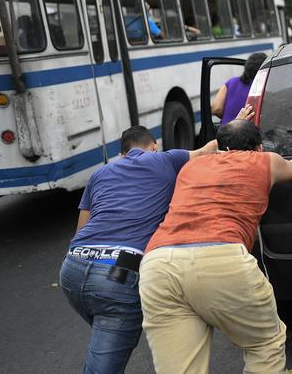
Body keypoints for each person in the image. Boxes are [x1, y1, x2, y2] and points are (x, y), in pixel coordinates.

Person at [138, 118, 292, 373]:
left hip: (158, 265)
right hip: (221, 257)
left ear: (220, 145)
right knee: (265, 342)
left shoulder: (191, 167)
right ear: (260, 148)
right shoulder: (265, 161)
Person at [59, 126, 219, 373]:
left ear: (121, 154)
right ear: (154, 145)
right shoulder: (166, 158)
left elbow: (81, 230)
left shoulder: (99, 174)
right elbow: (209, 150)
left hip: (73, 269)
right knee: (104, 360)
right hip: (118, 278)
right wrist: (238, 119)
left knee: (103, 338)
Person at [211, 52, 267, 124]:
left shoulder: (231, 82)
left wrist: (231, 120)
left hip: (225, 131)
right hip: (246, 132)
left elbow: (216, 109)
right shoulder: (263, 87)